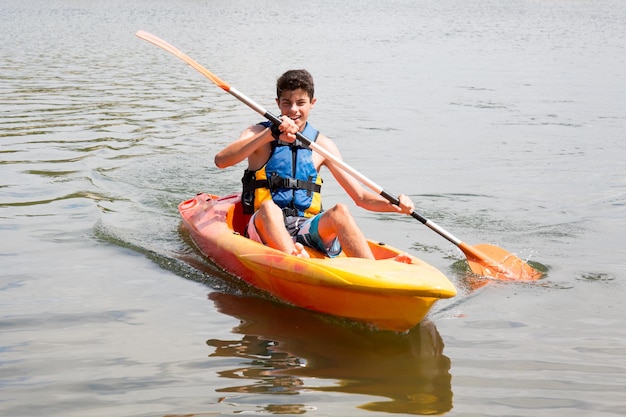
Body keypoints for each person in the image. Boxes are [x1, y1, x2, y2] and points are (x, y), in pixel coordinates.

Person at [214, 69, 415, 260]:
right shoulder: (258, 133)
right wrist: (270, 134)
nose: (293, 110)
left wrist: (396, 206)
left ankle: (373, 275)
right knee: (269, 208)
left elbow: (361, 197)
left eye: (301, 102)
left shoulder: (323, 145)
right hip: (265, 226)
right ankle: (295, 261)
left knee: (340, 212)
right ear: (278, 103)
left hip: (305, 226)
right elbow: (221, 161)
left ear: (312, 103)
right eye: (287, 103)